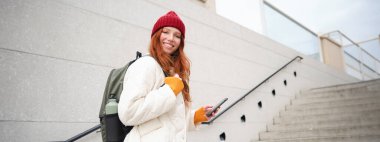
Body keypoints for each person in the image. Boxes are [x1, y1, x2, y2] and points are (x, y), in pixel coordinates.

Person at [118, 11, 217, 142]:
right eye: (166, 32)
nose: (171, 38)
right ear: (156, 35)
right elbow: (128, 113)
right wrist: (169, 91)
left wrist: (196, 117)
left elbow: (168, 121)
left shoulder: (171, 71)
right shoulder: (146, 64)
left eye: (177, 35)